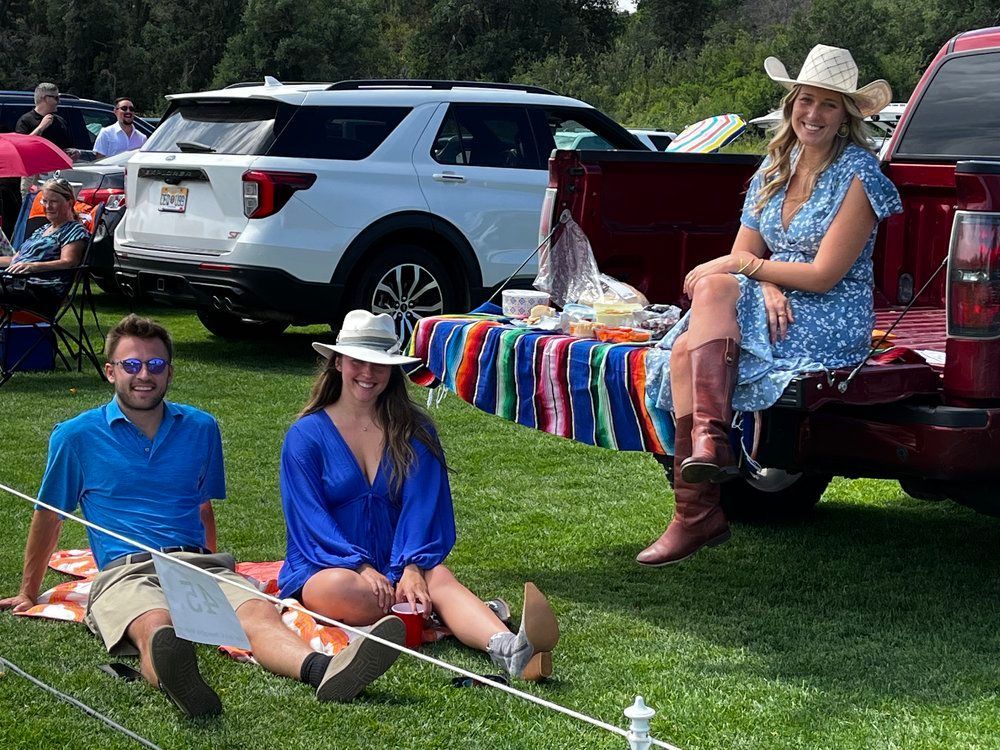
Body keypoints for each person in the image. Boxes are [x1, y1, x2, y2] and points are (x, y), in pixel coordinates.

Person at [0, 314, 406, 718]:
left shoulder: (201, 427)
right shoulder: (74, 436)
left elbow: (203, 507)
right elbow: (48, 517)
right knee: (154, 625)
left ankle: (323, 670)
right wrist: (28, 590)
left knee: (258, 614)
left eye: (155, 365)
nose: (145, 375)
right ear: (110, 372)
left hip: (196, 562)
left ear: (170, 372)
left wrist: (214, 571)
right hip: (125, 570)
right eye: (132, 365)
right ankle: (177, 678)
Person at [637, 45, 903, 567]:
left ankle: (697, 509)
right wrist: (758, 282)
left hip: (831, 315)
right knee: (700, 320)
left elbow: (825, 276)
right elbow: (744, 253)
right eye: (806, 101)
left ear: (846, 115)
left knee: (700, 323)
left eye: (829, 105)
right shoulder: (775, 167)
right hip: (775, 300)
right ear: (790, 105)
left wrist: (746, 272)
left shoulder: (860, 174)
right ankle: (707, 459)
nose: (814, 114)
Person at [279, 310, 560, 681]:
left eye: (379, 365)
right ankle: (440, 613)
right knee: (337, 588)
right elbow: (309, 517)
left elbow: (424, 505)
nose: (367, 373)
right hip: (329, 562)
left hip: (399, 557)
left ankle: (508, 648)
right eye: (357, 361)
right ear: (337, 362)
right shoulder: (305, 436)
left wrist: (410, 566)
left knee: (436, 576)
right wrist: (360, 567)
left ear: (393, 370)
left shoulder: (414, 430)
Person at [0, 178, 88, 314]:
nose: (47, 207)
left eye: (53, 202)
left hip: (38, 291)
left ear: (69, 202)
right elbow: (15, 259)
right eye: (45, 201)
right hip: (14, 283)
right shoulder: (42, 229)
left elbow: (69, 262)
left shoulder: (74, 230)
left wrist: (33, 266)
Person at [14, 83, 78, 196]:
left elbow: (66, 147)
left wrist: (73, 153)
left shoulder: (60, 121)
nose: (59, 101)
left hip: (57, 174)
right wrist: (41, 127)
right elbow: (21, 146)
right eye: (56, 98)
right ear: (44, 98)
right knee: (33, 208)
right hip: (33, 174)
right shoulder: (26, 120)